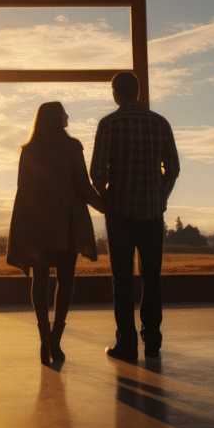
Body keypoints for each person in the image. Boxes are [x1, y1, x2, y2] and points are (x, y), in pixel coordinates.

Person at [90, 71, 179, 361]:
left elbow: (97, 172)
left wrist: (108, 199)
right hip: (152, 215)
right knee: (152, 279)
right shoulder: (160, 122)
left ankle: (127, 344)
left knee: (123, 280)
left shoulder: (109, 124)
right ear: (138, 92)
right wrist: (161, 198)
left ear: (115, 93)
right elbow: (173, 168)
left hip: (120, 215)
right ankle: (152, 342)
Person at [7, 101, 104, 365]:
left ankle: (43, 340)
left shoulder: (29, 151)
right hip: (66, 222)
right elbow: (83, 186)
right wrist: (106, 207)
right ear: (56, 118)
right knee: (66, 279)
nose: (68, 116)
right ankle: (56, 339)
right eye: (64, 113)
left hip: (37, 222)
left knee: (39, 279)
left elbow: (22, 188)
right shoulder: (72, 147)